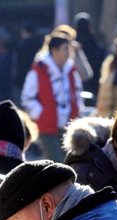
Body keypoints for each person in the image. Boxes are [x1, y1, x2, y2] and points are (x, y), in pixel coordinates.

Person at [21, 31, 84, 162]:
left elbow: (77, 92)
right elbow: (27, 97)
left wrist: (78, 109)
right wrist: (41, 113)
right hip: (47, 126)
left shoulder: (71, 69)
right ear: (54, 50)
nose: (69, 52)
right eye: (66, 49)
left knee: (69, 161)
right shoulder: (39, 69)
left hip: (68, 123)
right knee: (57, 162)